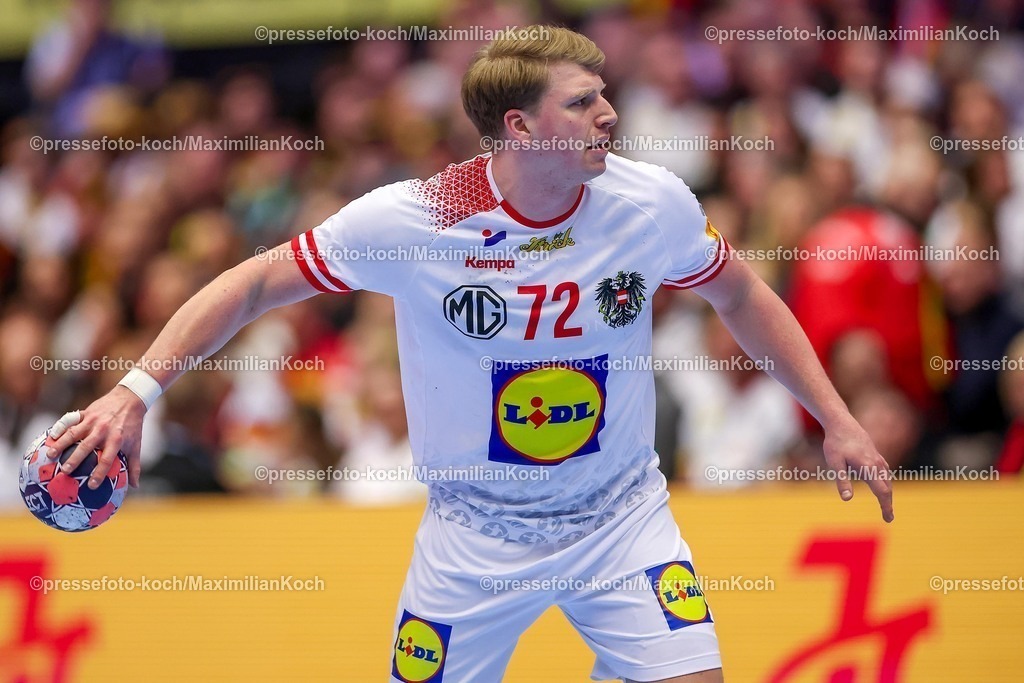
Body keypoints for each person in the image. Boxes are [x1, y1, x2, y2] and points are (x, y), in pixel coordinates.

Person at [44, 26, 893, 683]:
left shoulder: (649, 201)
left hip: (619, 516)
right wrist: (135, 391)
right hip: (475, 535)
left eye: (606, 96)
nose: (609, 116)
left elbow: (741, 294)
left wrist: (838, 416)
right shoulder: (419, 219)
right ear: (518, 126)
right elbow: (259, 282)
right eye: (583, 102)